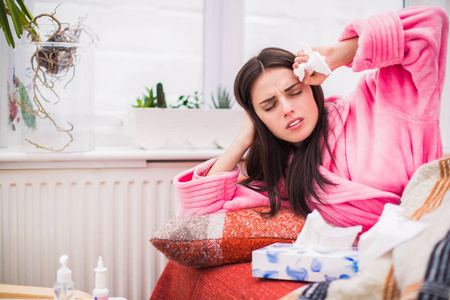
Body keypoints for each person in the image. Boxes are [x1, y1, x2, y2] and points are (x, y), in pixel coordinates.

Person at [174, 6, 448, 233]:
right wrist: (242, 140)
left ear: (312, 85)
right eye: (269, 106)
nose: (287, 109)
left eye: (294, 92)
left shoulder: (377, 100)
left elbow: (430, 24)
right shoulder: (285, 177)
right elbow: (194, 218)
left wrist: (339, 53)